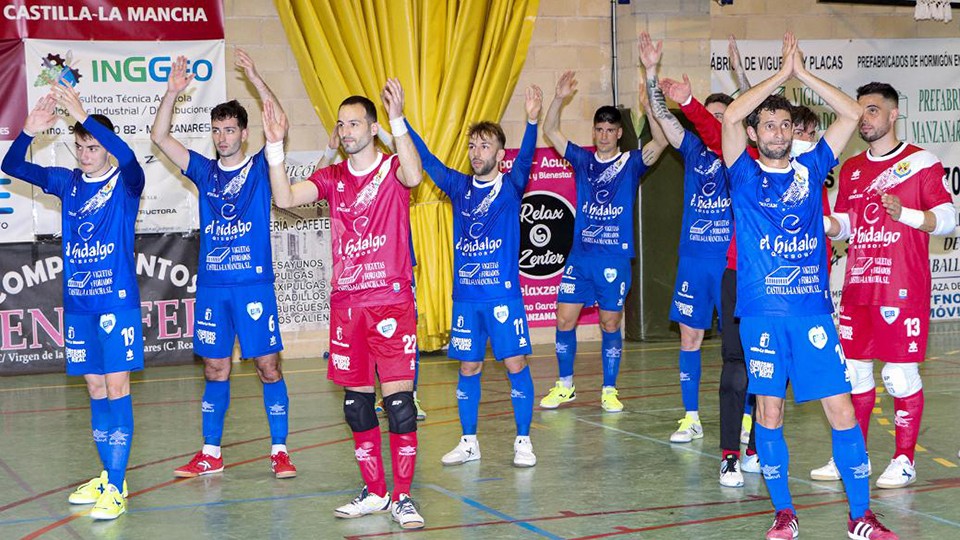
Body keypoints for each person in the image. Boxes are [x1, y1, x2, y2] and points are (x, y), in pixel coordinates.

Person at [721, 33, 897, 539]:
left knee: (841, 410)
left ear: (792, 132)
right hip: (760, 315)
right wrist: (778, 77)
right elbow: (730, 117)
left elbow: (850, 114)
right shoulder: (743, 175)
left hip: (812, 315)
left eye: (784, 124)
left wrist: (801, 75)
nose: (777, 132)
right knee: (769, 412)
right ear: (755, 134)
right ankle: (784, 513)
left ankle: (860, 517)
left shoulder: (812, 166)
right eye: (768, 125)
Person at [270, 79, 425, 529]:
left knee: (400, 405)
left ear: (373, 128)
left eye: (355, 123)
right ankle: (375, 492)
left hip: (391, 303)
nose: (346, 131)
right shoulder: (333, 178)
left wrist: (398, 120)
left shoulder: (393, 167)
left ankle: (403, 497)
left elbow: (415, 176)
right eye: (341, 124)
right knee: (356, 406)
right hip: (347, 306)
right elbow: (284, 199)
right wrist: (275, 148)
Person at [151, 50, 296, 479]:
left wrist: (256, 78)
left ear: (244, 134)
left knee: (268, 367)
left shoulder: (260, 168)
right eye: (216, 130)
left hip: (253, 286)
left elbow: (280, 123)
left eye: (230, 130)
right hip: (214, 288)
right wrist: (171, 93)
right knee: (215, 368)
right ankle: (210, 453)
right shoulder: (203, 170)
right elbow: (160, 137)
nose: (222, 137)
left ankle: (280, 450)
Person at [2, 85, 144, 520]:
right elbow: (11, 166)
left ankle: (116, 487)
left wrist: (84, 115)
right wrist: (28, 131)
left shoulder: (126, 183)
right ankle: (107, 476)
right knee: (95, 389)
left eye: (93, 146)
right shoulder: (67, 182)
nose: (85, 154)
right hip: (79, 304)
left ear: (107, 148)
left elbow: (130, 158)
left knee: (117, 388)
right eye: (80, 146)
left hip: (116, 304)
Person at [815, 82, 955, 489]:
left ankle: (904, 460)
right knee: (855, 375)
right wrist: (820, 222)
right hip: (859, 286)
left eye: (873, 110)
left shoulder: (920, 162)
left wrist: (905, 213)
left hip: (902, 287)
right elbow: (847, 225)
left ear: (894, 114)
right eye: (860, 111)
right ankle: (851, 457)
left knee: (899, 376)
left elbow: (948, 219)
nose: (864, 118)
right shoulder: (852, 168)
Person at [407, 86, 542, 468]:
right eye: (472, 146)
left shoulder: (511, 187)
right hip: (466, 298)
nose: (476, 152)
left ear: (499, 155)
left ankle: (523, 440)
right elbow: (427, 160)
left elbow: (527, 156)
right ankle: (469, 442)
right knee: (468, 368)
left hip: (502, 298)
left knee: (515, 364)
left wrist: (532, 121)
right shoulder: (459, 187)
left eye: (484, 146)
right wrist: (400, 121)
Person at [640, 33, 741, 487]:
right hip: (694, 261)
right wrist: (650, 71)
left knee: (739, 348)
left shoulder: (742, 157)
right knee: (690, 337)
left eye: (721, 117)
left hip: (730, 264)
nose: (713, 122)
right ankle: (692, 417)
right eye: (709, 115)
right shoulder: (693, 148)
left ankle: (743, 420)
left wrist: (740, 73)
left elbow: (755, 111)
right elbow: (663, 116)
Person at [539, 70, 668, 412]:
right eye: (599, 129)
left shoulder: (631, 162)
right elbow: (550, 130)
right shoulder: (582, 160)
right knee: (564, 319)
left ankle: (609, 389)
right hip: (580, 258)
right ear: (594, 132)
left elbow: (661, 143)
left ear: (619, 133)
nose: (604, 135)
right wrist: (558, 97)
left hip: (614, 260)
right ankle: (565, 385)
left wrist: (651, 110)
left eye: (611, 130)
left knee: (610, 323)